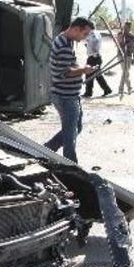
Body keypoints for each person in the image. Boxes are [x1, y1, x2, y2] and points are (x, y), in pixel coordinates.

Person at [44, 17, 96, 163]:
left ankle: (47, 149)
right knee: (70, 134)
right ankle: (70, 165)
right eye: (84, 34)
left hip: (71, 95)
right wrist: (84, 70)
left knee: (75, 129)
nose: (85, 38)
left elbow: (69, 66)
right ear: (76, 29)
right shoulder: (63, 45)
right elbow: (65, 72)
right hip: (64, 96)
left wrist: (83, 69)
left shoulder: (68, 40)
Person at [83, 29, 112, 98]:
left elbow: (95, 41)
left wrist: (94, 52)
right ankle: (106, 90)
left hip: (94, 57)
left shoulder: (93, 33)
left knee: (90, 74)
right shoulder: (95, 33)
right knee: (97, 75)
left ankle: (89, 92)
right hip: (94, 57)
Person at [116, 21, 134, 97]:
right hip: (121, 56)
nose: (126, 29)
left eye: (128, 28)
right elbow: (119, 43)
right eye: (125, 27)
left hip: (129, 56)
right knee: (125, 72)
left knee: (126, 72)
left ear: (130, 28)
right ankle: (121, 89)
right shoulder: (120, 34)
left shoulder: (132, 36)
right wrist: (123, 38)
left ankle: (129, 88)